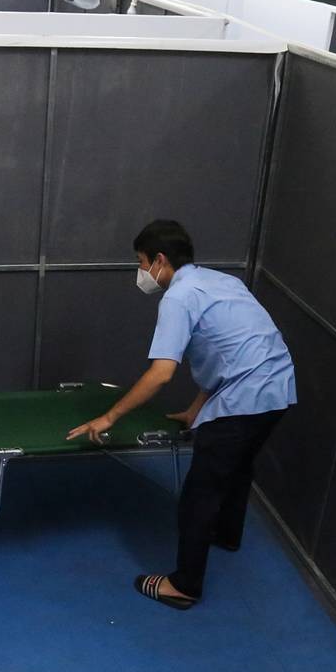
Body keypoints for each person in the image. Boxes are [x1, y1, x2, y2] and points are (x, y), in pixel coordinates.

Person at [67, 219, 296, 610]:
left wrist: (109, 418)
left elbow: (161, 374)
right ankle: (226, 534)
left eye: (141, 263)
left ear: (159, 260)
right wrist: (195, 410)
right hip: (278, 390)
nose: (141, 273)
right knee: (238, 468)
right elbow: (227, 353)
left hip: (244, 399)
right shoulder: (222, 282)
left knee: (199, 494)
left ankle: (184, 586)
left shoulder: (177, 297)